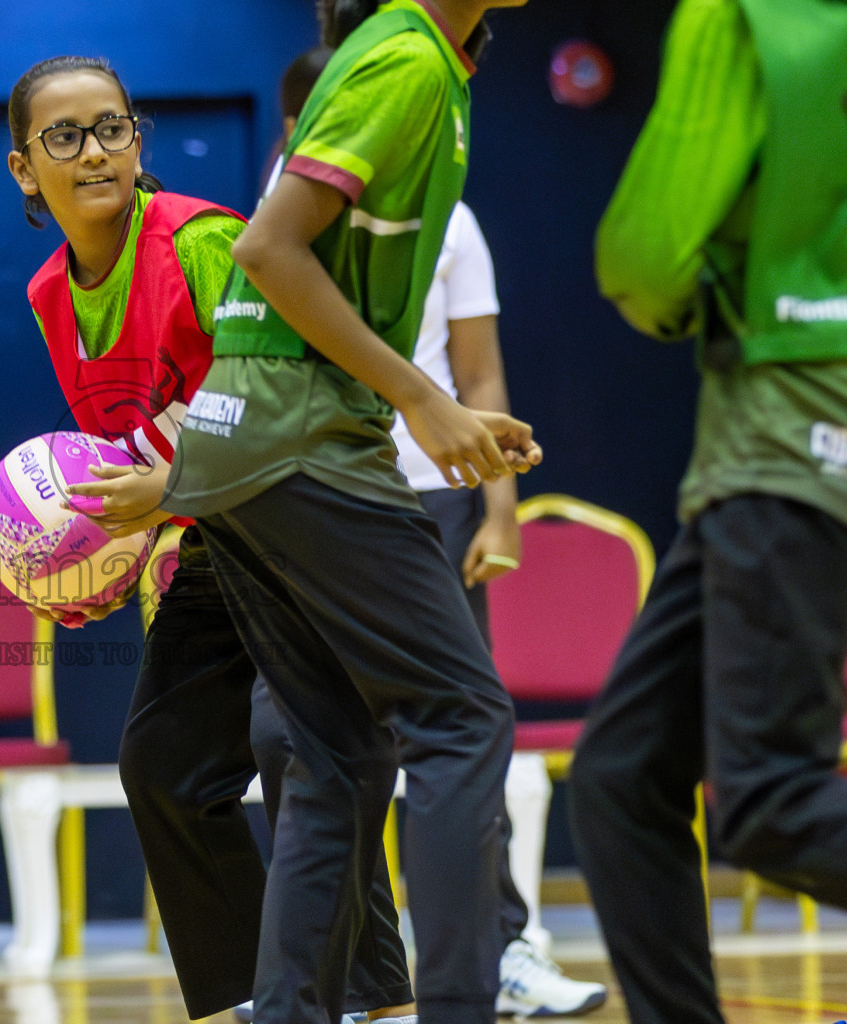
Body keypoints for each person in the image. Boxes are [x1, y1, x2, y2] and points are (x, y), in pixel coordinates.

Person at [4, 55, 414, 1024]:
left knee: (299, 743)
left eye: (112, 127)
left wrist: (166, 490)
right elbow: (132, 448)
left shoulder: (202, 241)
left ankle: (370, 998)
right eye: (65, 136)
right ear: (25, 167)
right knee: (164, 767)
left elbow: (283, 395)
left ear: (136, 137)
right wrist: (101, 553)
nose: (95, 151)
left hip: (308, 518)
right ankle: (251, 998)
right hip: (218, 536)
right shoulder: (50, 295)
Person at [160, 0, 540, 1021]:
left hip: (242, 442)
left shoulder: (422, 60)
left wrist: (439, 406)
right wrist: (421, 398)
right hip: (303, 438)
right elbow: (267, 249)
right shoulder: (404, 56)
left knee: (335, 753)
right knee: (464, 719)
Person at [567, 1, 847, 1023]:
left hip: (796, 433)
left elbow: (645, 260)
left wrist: (698, 297)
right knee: (622, 775)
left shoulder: (742, 15)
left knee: (767, 797)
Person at [259, 45, 607, 1019]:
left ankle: (501, 949)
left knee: (457, 733)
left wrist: (499, 507)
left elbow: (478, 372)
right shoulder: (271, 229)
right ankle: (338, 975)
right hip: (318, 497)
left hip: (435, 492)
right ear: (299, 128)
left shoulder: (449, 217)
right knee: (299, 736)